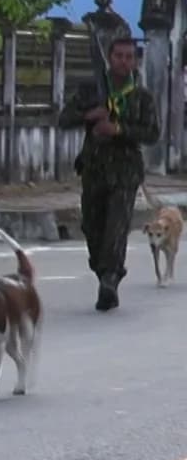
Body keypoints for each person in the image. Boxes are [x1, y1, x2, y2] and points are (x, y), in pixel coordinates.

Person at [58, 37, 159, 311]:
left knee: (116, 227)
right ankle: (102, 272)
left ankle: (111, 280)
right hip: (94, 169)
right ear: (110, 58)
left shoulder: (141, 96)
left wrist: (120, 130)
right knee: (93, 228)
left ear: (135, 61)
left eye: (129, 57)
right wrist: (90, 115)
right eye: (118, 56)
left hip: (125, 173)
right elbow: (64, 119)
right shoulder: (92, 89)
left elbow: (153, 133)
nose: (124, 61)